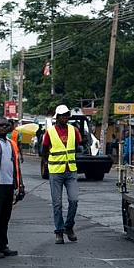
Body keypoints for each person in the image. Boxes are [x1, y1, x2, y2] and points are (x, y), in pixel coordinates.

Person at [42, 104, 83, 244]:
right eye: (63, 115)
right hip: (56, 172)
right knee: (57, 203)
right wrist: (51, 163)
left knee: (74, 200)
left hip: (70, 170)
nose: (65, 117)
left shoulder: (74, 130)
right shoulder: (50, 132)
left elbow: (76, 147)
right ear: (57, 117)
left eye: (67, 115)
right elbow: (44, 151)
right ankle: (59, 231)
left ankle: (69, 226)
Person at [0, 117, 25, 259]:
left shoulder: (12, 144)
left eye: (6, 125)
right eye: (1, 125)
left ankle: (3, 245)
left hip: (9, 185)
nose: (4, 127)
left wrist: (20, 185)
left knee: (5, 217)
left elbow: (16, 166)